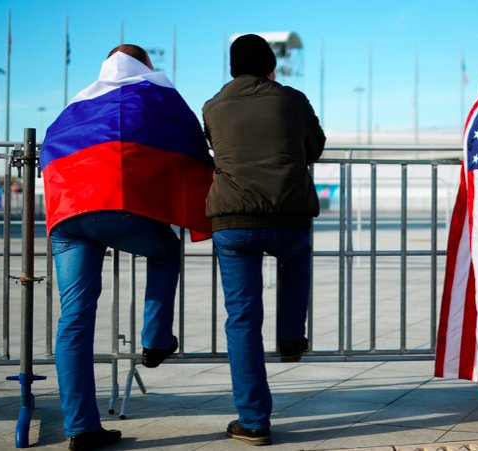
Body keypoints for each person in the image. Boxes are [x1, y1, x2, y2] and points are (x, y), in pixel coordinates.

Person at [41, 44, 213, 450]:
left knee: (74, 320)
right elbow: (189, 147)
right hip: (116, 209)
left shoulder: (77, 104)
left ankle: (81, 428)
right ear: (146, 66)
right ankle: (155, 339)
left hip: (67, 216)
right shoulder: (156, 96)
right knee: (165, 251)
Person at [203, 33, 325, 446]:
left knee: (242, 318)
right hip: (289, 213)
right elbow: (315, 147)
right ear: (271, 67)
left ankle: (253, 421)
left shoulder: (213, 105)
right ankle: (291, 337)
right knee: (295, 263)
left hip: (234, 221)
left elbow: (216, 148)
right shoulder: (292, 99)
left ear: (233, 68)